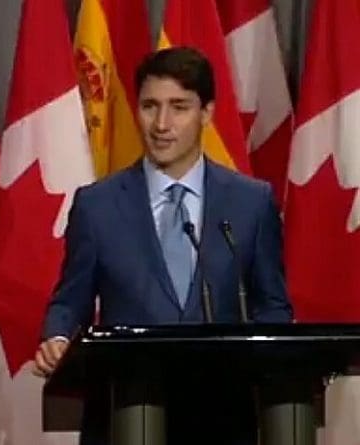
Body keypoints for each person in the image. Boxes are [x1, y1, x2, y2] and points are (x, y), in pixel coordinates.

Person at [35, 47, 293, 444]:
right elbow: (71, 300)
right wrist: (56, 336)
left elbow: (272, 304)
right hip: (124, 417)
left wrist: (259, 356)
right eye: (150, 106)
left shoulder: (250, 202)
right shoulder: (97, 204)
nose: (161, 123)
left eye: (179, 107)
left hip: (220, 420)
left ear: (206, 113)